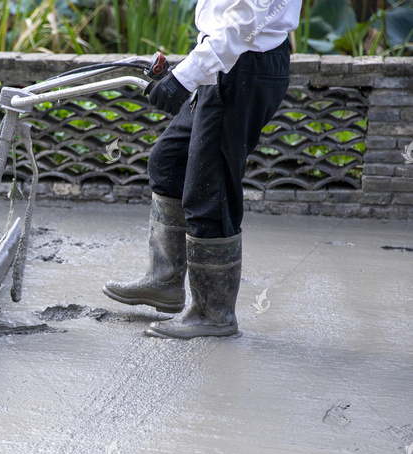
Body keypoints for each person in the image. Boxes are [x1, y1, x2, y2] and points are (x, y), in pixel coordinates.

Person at [103, 0, 302, 338]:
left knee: (210, 188)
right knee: (169, 162)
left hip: (244, 66)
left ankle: (214, 312)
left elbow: (244, 22)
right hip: (225, 61)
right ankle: (164, 280)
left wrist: (185, 76)